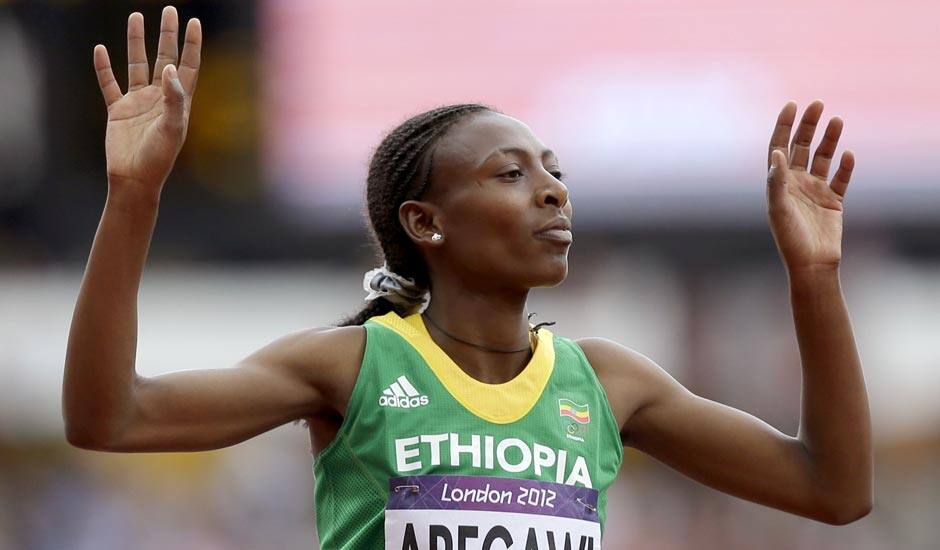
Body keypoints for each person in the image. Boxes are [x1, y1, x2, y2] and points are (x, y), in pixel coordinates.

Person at [63, 6, 873, 548]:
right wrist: (134, 196)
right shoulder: (353, 366)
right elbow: (111, 419)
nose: (554, 189)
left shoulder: (607, 382)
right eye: (510, 175)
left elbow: (834, 490)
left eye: (552, 171)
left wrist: (813, 275)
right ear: (427, 222)